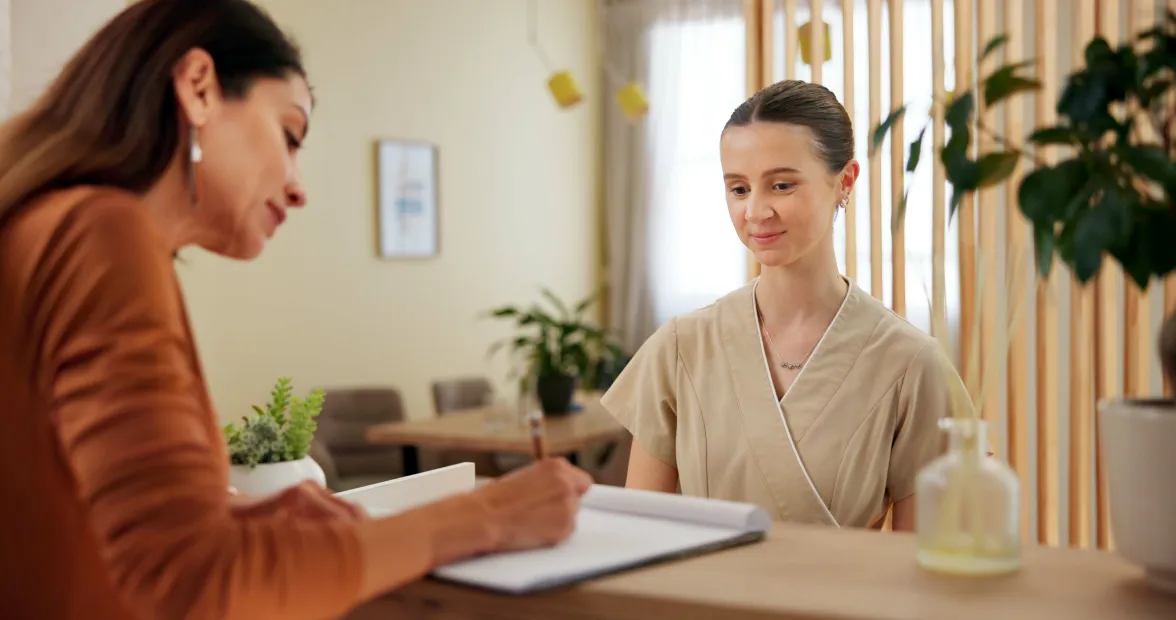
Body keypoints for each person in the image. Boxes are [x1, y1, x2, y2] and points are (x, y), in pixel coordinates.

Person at [0, 1, 592, 619]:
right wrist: (486, 515)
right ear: (198, 87)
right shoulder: (97, 233)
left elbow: (60, 515)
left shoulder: (39, 225)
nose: (299, 185)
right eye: (289, 135)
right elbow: (195, 585)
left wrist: (235, 515)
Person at [600, 80, 970, 531]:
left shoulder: (910, 362)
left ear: (845, 181)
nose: (755, 211)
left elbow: (920, 568)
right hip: (701, 601)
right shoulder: (680, 347)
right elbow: (640, 542)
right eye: (738, 189)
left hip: (843, 603)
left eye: (780, 185)